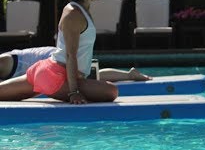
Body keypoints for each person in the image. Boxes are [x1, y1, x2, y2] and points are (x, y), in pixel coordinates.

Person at [0, 0, 119, 104]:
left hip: (51, 74)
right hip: (55, 76)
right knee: (111, 91)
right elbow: (70, 55)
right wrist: (74, 92)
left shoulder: (82, 9)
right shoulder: (73, 13)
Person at [0, 47, 152, 82]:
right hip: (51, 58)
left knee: (85, 79)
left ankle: (129, 75)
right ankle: (129, 74)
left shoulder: (4, 62)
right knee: (88, 77)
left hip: (51, 58)